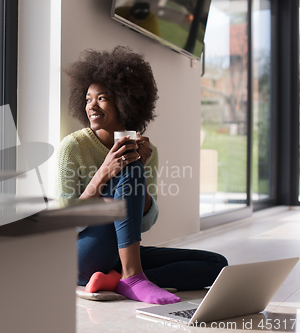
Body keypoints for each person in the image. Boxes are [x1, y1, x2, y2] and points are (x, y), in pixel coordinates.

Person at [56, 46, 228, 305]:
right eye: (88, 98)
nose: (92, 105)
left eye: (102, 98)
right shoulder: (73, 147)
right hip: (79, 256)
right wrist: (103, 173)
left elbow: (144, 223)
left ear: (125, 101)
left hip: (119, 254)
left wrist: (142, 172)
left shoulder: (146, 151)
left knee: (216, 264)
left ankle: (116, 280)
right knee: (128, 170)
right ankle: (133, 277)